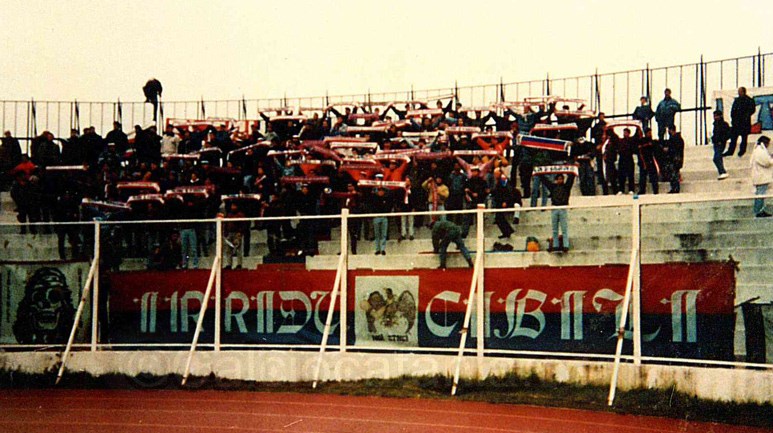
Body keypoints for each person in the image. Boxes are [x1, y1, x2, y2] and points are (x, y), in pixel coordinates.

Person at [540, 173, 575, 252]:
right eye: (558, 179)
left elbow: (571, 179)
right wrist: (540, 174)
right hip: (554, 208)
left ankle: (566, 245)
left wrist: (572, 171)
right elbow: (545, 181)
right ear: (556, 180)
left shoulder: (566, 187)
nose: (560, 180)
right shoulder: (553, 187)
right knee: (554, 229)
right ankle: (555, 245)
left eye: (561, 179)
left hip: (563, 208)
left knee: (564, 229)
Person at [724, 87, 757, 157]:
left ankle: (742, 151)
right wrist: (733, 118)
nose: (739, 93)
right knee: (733, 138)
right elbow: (733, 111)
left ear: (743, 92)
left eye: (740, 91)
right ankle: (730, 151)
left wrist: (745, 116)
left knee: (744, 138)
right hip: (736, 123)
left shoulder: (749, 100)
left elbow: (752, 110)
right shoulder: (737, 100)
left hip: (744, 123)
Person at [751, 136, 772, 218]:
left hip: (761, 176)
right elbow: (766, 162)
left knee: (760, 194)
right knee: (760, 194)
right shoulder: (760, 151)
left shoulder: (759, 150)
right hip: (761, 176)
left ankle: (760, 209)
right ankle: (758, 210)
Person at [369, 186, 394, 255]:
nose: (380, 192)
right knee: (377, 234)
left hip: (384, 217)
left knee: (384, 234)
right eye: (379, 191)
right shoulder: (374, 198)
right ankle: (377, 249)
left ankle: (383, 248)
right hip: (376, 217)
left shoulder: (386, 198)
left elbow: (389, 205)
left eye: (382, 191)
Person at [663, 125, 684, 193]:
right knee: (673, 174)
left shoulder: (675, 139)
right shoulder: (678, 138)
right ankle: (674, 188)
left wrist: (668, 150)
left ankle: (675, 188)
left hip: (674, 159)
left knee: (673, 174)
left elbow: (675, 149)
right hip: (676, 159)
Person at [711, 110, 731, 179]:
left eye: (716, 116)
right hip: (716, 143)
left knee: (716, 158)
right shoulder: (715, 124)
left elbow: (728, 134)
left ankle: (722, 171)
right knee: (718, 157)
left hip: (720, 143)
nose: (715, 117)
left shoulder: (724, 124)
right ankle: (722, 171)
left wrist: (722, 140)